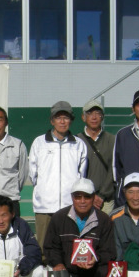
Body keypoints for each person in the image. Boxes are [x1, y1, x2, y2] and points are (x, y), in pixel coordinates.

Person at [43, 178, 118, 277]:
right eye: (78, 197)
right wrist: (58, 263)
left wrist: (95, 258)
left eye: (87, 197)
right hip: (70, 270)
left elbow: (109, 250)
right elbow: (50, 247)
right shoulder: (59, 217)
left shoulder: (104, 220)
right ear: (72, 197)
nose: (82, 201)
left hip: (94, 269)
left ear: (93, 197)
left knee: (105, 268)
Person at [28, 100, 88, 247]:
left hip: (70, 206)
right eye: (58, 117)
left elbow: (82, 175)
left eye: (66, 117)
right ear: (52, 120)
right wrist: (44, 190)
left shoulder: (79, 144)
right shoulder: (39, 143)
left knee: (68, 246)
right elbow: (33, 174)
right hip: (44, 207)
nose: (62, 121)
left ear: (71, 120)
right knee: (43, 247)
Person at [76, 100, 116, 214]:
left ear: (102, 117)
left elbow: (113, 170)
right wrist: (86, 195)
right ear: (83, 117)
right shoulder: (76, 141)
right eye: (89, 113)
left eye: (98, 113)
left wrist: (101, 195)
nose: (94, 117)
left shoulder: (112, 140)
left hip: (106, 201)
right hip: (83, 200)